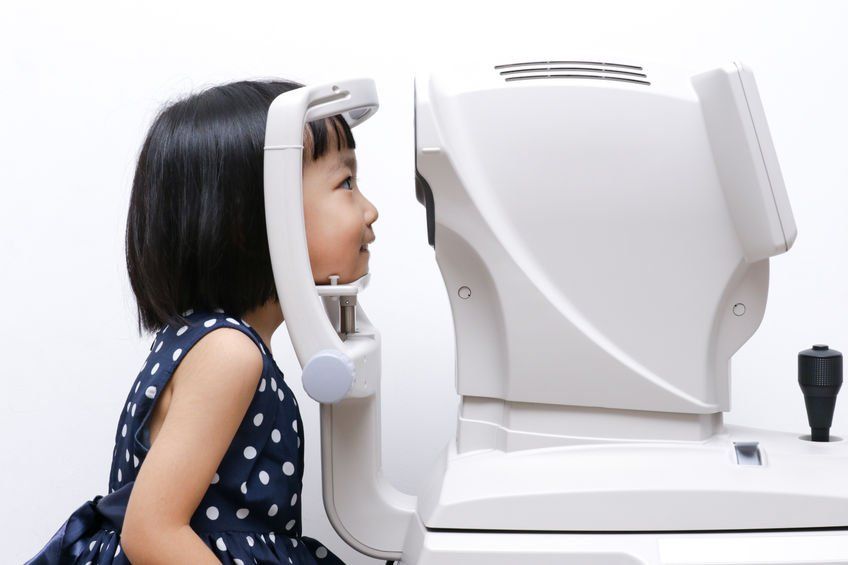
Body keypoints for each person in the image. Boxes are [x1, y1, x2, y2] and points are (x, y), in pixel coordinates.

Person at [26, 78, 378, 564]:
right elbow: (152, 532)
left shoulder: (214, 342)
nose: (370, 210)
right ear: (254, 215)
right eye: (346, 183)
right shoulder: (227, 353)